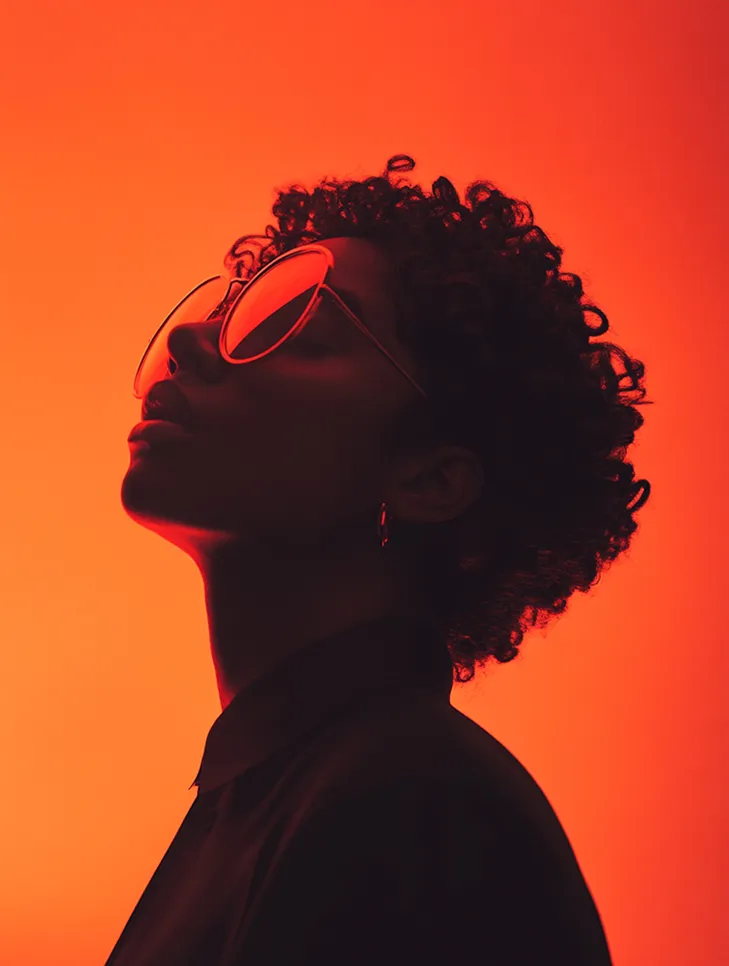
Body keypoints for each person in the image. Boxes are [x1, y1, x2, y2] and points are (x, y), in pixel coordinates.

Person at [106, 154, 651, 965]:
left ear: (430, 478)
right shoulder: (277, 793)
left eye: (299, 331)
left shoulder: (418, 811)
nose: (191, 339)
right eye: (225, 319)